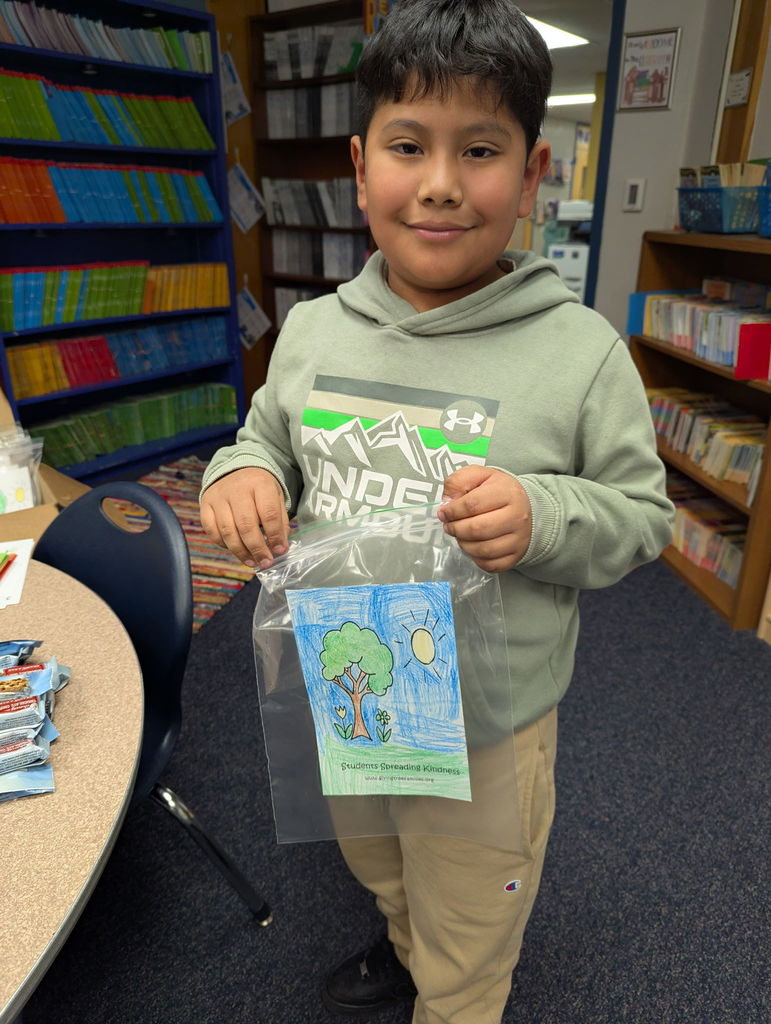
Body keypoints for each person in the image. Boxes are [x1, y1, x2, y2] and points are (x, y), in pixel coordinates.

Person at [199, 1, 674, 1020]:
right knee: (378, 856)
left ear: (535, 173)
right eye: (411, 147)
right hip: (351, 682)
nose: (444, 183)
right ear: (362, 166)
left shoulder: (581, 353)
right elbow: (267, 442)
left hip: (489, 721)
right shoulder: (315, 330)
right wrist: (242, 477)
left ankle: (451, 977)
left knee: (472, 930)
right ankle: (410, 939)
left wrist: (542, 514)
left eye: (482, 149)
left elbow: (643, 516)